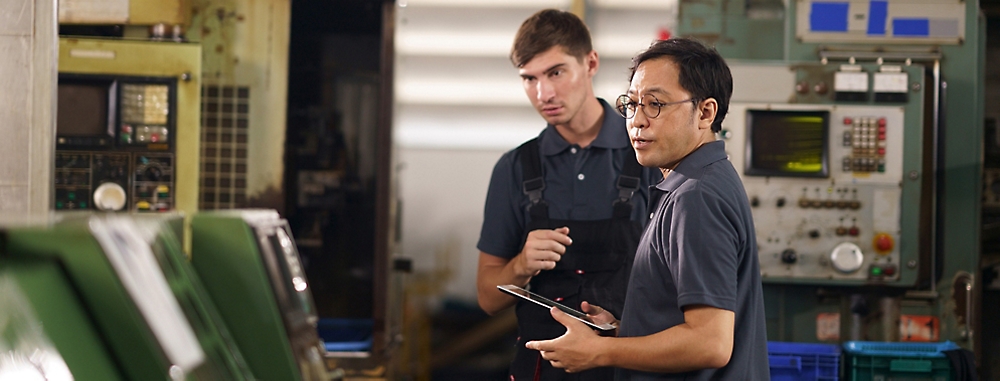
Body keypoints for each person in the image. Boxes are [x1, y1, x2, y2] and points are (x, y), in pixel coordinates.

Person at [524, 37, 769, 380]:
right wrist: (625, 330)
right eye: (632, 104)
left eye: (655, 104)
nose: (636, 121)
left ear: (705, 112)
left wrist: (601, 352)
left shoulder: (696, 197)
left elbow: (709, 342)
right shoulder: (693, 182)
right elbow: (683, 321)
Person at [475, 9, 662, 381]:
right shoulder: (515, 168)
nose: (543, 93)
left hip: (627, 368)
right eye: (529, 78)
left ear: (590, 63)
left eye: (555, 72)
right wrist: (521, 266)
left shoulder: (648, 155)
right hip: (542, 371)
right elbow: (487, 298)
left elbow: (681, 284)